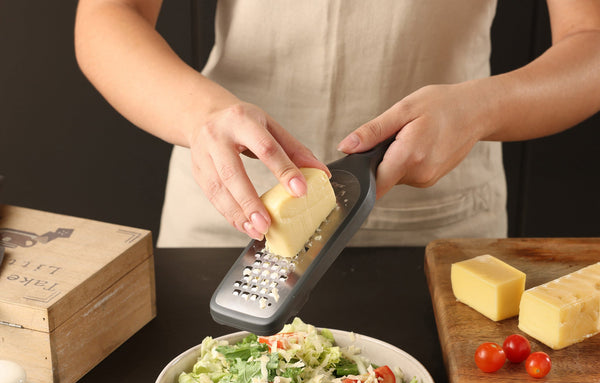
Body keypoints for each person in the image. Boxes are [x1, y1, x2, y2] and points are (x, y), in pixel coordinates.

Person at [74, 0, 600, 247]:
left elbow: (590, 37)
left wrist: (484, 106)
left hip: (436, 218)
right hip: (230, 208)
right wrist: (202, 115)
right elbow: (107, 14)